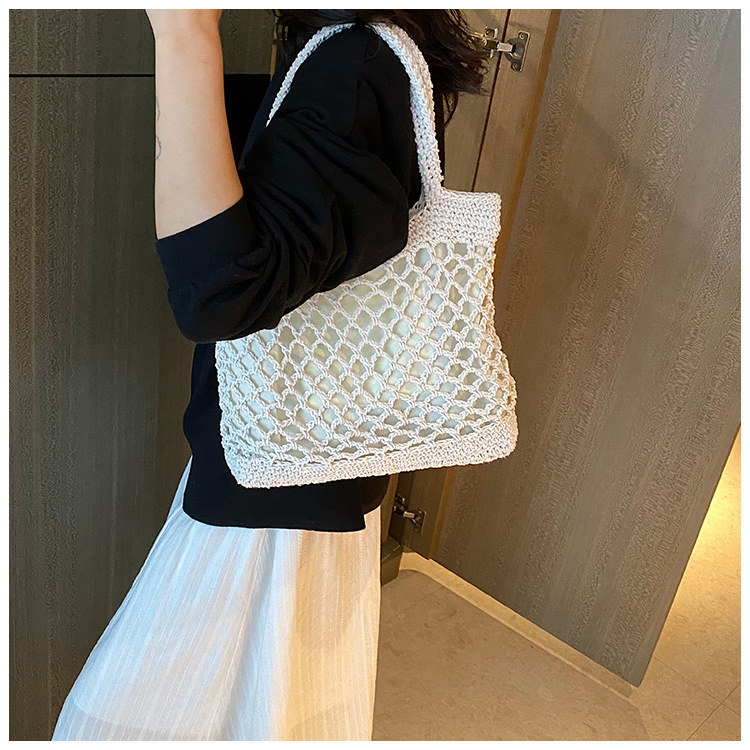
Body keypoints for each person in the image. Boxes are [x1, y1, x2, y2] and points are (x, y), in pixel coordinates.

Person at [51, 9, 487, 741]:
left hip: (275, 501)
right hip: (304, 465)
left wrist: (184, 31)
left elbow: (220, 292)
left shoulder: (354, 63)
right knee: (273, 711)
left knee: (123, 720)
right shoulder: (350, 49)